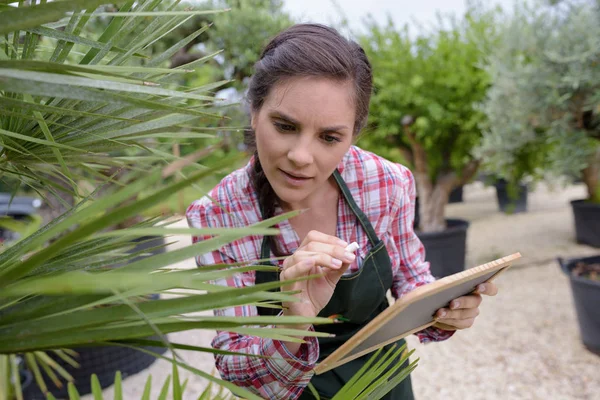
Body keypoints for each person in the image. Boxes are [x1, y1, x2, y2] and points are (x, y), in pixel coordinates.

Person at [187, 23, 499, 400]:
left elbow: (411, 281)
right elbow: (236, 369)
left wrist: (445, 310)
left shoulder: (387, 183)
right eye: (285, 126)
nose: (301, 157)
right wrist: (295, 320)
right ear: (254, 113)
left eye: (329, 137)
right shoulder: (219, 216)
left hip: (381, 379)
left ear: (354, 133)